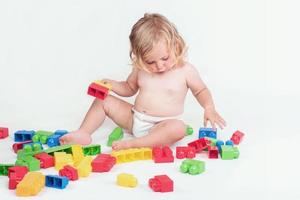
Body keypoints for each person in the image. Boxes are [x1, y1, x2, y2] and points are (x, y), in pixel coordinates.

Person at [59, 13, 226, 150]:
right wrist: (111, 85)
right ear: (139, 58)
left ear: (175, 45)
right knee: (103, 101)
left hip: (161, 125)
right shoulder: (141, 70)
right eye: (150, 62)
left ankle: (135, 144)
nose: (159, 66)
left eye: (165, 58)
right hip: (134, 119)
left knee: (178, 128)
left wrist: (209, 107)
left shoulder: (185, 70)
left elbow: (200, 90)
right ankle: (83, 132)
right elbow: (129, 88)